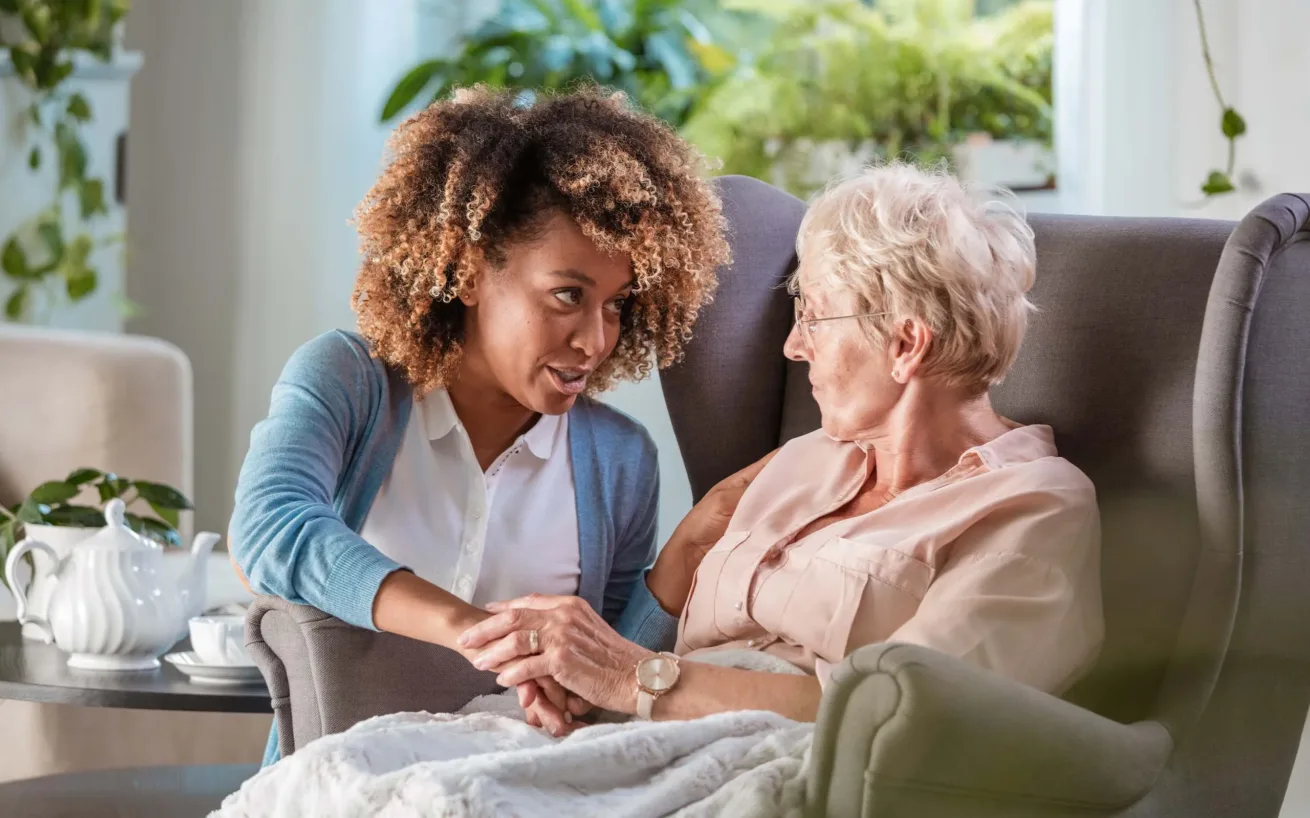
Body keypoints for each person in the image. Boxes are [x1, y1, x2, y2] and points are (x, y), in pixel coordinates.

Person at [459, 161, 1104, 727]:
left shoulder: (1032, 508)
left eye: (814, 316)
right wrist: (586, 685)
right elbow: (658, 664)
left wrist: (631, 680)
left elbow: (906, 715)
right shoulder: (803, 459)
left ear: (905, 345)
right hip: (646, 734)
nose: (794, 347)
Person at [227, 85, 730, 761]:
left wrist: (689, 548)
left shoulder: (621, 459)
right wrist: (481, 631)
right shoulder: (348, 382)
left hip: (524, 793)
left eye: (617, 305)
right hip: (334, 787)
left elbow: (607, 679)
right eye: (567, 295)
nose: (594, 340)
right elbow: (270, 529)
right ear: (469, 270)